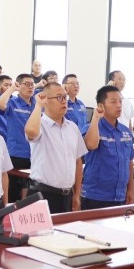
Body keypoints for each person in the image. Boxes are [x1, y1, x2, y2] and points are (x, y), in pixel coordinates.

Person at [25, 82, 87, 213]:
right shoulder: (39, 124)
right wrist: (38, 105)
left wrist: (77, 193)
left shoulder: (72, 127)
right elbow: (31, 132)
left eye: (65, 97)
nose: (64, 101)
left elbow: (78, 161)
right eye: (59, 97)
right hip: (42, 194)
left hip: (67, 195)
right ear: (46, 100)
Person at [81, 85, 134, 209]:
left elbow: (129, 162)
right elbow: (91, 145)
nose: (119, 105)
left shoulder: (125, 131)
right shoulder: (91, 128)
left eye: (120, 101)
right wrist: (96, 118)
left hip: (119, 196)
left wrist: (130, 190)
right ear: (101, 105)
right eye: (113, 102)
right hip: (96, 196)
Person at [0, 73, 38, 202]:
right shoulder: (13, 102)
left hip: (35, 154)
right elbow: (0, 104)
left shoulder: (38, 104)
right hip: (17, 153)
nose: (30, 87)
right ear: (19, 86)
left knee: (32, 191)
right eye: (27, 84)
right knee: (13, 190)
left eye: (32, 84)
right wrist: (12, 88)